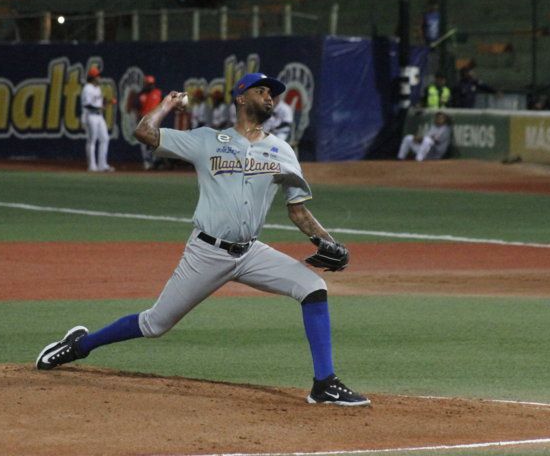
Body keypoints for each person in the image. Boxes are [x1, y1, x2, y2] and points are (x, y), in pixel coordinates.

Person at [35, 72, 370, 407]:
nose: (269, 97)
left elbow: (297, 211)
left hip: (251, 253)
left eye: (272, 93)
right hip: (206, 252)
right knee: (155, 323)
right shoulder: (207, 140)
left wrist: (327, 242)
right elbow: (143, 132)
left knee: (313, 288)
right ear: (241, 98)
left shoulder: (281, 150)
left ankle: (324, 383)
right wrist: (166, 104)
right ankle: (79, 346)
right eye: (261, 90)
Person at [81, 66, 115, 172]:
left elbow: (99, 104)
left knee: (105, 138)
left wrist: (107, 102)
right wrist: (99, 107)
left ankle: (102, 165)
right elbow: (86, 105)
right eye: (97, 76)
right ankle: (92, 166)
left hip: (99, 116)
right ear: (92, 77)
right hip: (90, 116)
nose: (99, 78)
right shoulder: (87, 88)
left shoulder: (97, 88)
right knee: (92, 140)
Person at [133, 75, 163, 170]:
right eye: (148, 84)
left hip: (155, 121)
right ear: (145, 84)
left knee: (155, 142)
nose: (150, 86)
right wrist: (138, 121)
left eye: (151, 84)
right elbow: (137, 110)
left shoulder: (158, 93)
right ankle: (147, 162)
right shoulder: (141, 95)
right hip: (144, 121)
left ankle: (154, 162)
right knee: (144, 143)